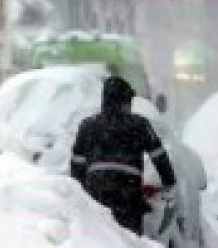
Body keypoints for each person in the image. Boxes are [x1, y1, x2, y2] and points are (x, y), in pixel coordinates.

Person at [71, 76, 177, 236]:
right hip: (128, 189)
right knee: (130, 239)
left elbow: (77, 163)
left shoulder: (88, 125)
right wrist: (169, 182)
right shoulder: (139, 124)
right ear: (124, 101)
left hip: (97, 188)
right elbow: (158, 156)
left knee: (99, 235)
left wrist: (80, 190)